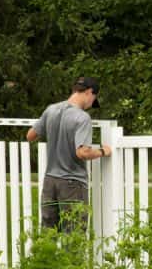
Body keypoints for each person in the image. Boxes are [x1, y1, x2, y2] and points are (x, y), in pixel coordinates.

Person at [26, 76, 112, 233]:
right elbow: (82, 152)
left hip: (50, 182)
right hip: (72, 184)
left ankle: (44, 259)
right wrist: (102, 151)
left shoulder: (51, 110)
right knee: (74, 236)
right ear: (89, 93)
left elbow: (30, 135)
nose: (91, 105)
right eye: (94, 100)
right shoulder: (82, 118)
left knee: (48, 235)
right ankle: (72, 259)